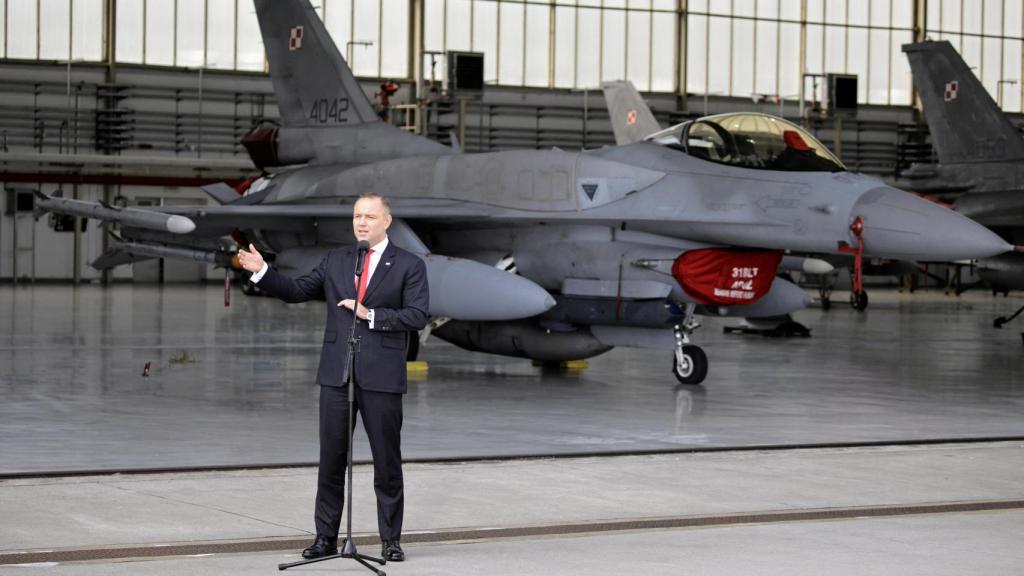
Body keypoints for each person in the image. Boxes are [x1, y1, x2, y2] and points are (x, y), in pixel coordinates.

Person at [237, 193, 429, 562]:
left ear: (387, 221)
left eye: (370, 216)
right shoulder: (337, 260)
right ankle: (325, 537)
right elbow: (296, 291)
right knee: (331, 460)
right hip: (337, 374)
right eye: (357, 215)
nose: (361, 222)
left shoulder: (409, 265)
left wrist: (370, 314)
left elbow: (417, 315)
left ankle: (391, 539)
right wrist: (262, 271)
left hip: (382, 376)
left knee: (386, 461)